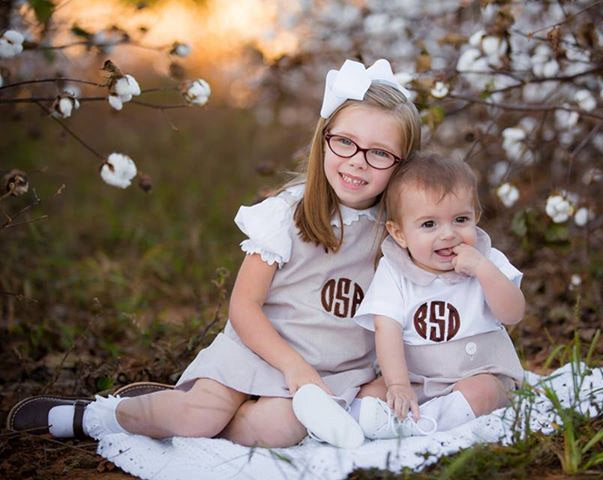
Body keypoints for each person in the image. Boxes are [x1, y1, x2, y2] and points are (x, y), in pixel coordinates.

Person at [7, 58, 421, 449]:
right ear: (323, 139)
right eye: (345, 142)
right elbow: (244, 306)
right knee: (197, 419)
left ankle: (215, 415)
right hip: (260, 351)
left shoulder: (398, 232)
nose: (357, 162)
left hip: (334, 370)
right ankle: (101, 416)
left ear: (402, 164)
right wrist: (294, 368)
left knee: (278, 429)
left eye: (380, 153)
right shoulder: (285, 216)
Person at [353, 153, 525, 439]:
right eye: (429, 224)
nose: (448, 234)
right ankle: (348, 421)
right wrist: (397, 383)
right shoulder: (394, 270)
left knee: (483, 393)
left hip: (480, 372)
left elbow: (514, 313)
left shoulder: (488, 259)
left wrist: (484, 270)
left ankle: (419, 424)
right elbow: (387, 328)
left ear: (476, 218)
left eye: (460, 220)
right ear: (400, 233)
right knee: (369, 393)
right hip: (417, 378)